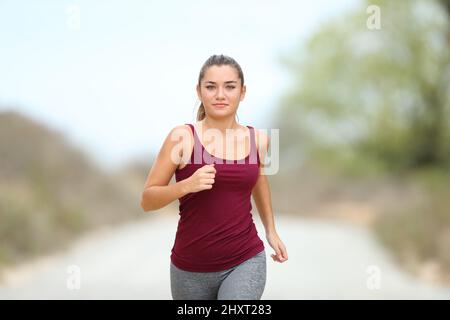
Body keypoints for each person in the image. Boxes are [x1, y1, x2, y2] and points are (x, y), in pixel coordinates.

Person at [141, 54, 288, 300]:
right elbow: (147, 200)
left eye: (230, 87)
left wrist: (271, 230)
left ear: (242, 92)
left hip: (245, 259)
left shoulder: (259, 140)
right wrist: (187, 185)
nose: (220, 94)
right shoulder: (182, 137)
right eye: (211, 87)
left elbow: (259, 181)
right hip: (189, 268)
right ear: (199, 92)